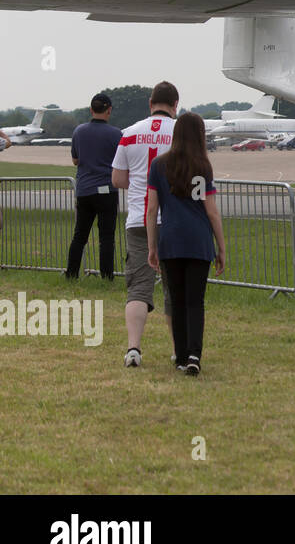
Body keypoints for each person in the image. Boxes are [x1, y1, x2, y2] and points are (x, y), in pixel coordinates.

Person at [145, 113, 226, 375]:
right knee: (195, 301)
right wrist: (221, 247)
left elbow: (152, 209)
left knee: (176, 300)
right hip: (199, 241)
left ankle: (180, 356)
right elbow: (211, 211)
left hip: (171, 240)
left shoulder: (158, 166)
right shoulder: (202, 167)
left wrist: (152, 246)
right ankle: (194, 355)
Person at [112, 81, 178, 368]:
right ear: (176, 105)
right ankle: (179, 349)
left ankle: (133, 349)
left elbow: (117, 180)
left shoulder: (128, 133)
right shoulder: (181, 134)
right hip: (173, 218)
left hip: (138, 218)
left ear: (150, 103)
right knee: (174, 288)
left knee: (138, 287)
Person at [66, 93, 121, 280]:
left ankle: (71, 274)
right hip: (107, 189)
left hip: (84, 190)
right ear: (109, 110)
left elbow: (75, 160)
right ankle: (107, 276)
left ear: (91, 109)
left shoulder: (79, 131)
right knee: (106, 237)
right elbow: (120, 162)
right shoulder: (116, 134)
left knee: (80, 235)